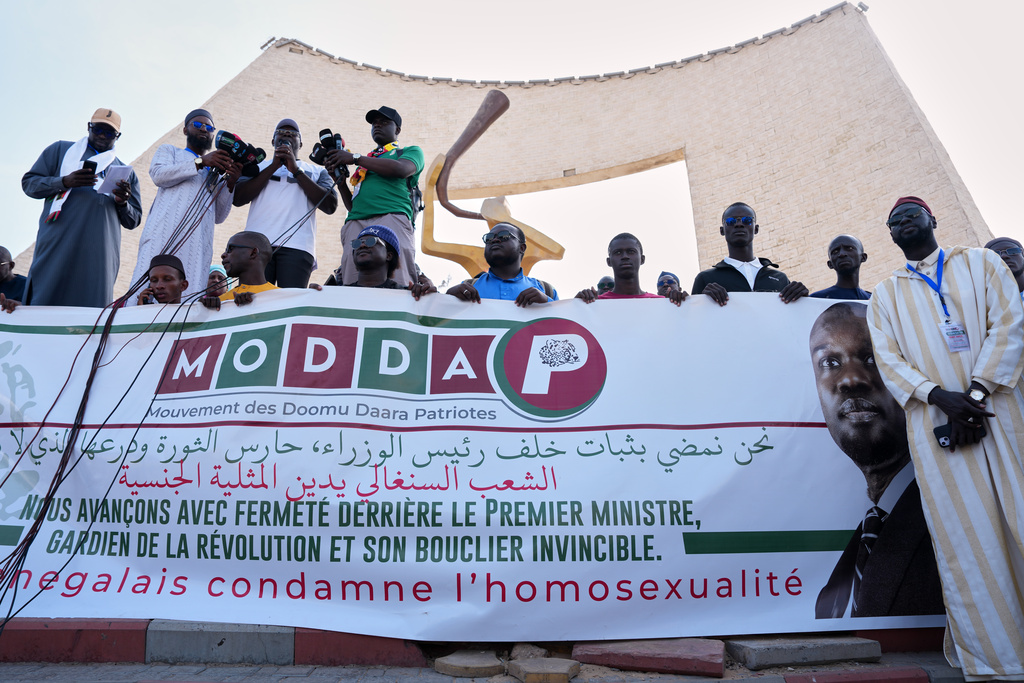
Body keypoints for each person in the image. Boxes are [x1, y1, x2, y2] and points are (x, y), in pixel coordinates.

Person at [867, 196, 1024, 680]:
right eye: (894, 222)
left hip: (999, 412)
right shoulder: (885, 295)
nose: (902, 224)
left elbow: (1008, 326)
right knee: (967, 536)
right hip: (936, 422)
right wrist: (941, 398)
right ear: (891, 236)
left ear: (933, 220)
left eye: (910, 215)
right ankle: (997, 657)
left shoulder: (981, 264)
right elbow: (889, 360)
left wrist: (973, 395)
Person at [809, 302, 942, 618]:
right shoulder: (843, 571)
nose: (850, 379)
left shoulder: (949, 505)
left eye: (872, 358)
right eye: (829, 362)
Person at [21, 108, 142, 307]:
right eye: (98, 129)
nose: (103, 135)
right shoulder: (60, 151)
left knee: (90, 311)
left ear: (118, 136)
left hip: (100, 252)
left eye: (109, 133)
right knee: (44, 299)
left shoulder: (124, 172)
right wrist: (64, 181)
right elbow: (29, 184)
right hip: (57, 240)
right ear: (89, 127)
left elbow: (134, 220)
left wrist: (122, 201)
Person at [128, 109, 240, 303]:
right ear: (185, 130)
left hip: (198, 245)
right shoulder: (170, 151)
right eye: (197, 124)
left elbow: (219, 216)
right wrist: (200, 162)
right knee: (148, 290)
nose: (204, 129)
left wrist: (230, 183)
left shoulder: (215, 170)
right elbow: (159, 175)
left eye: (209, 127)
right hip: (163, 235)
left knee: (188, 298)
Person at [326, 106, 424, 287]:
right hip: (356, 221)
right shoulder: (366, 162)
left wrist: (355, 158)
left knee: (398, 279)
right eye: (374, 123)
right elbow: (353, 206)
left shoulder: (408, 151)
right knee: (352, 278)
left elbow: (401, 169)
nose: (377, 126)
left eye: (384, 122)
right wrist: (338, 180)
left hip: (391, 216)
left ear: (397, 130)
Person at [233, 118, 338, 288]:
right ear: (273, 141)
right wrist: (273, 166)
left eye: (293, 133)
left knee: (288, 305)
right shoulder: (256, 167)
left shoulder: (318, 171)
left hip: (298, 246)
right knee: (253, 302)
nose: (287, 135)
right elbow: (238, 199)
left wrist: (296, 171)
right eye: (281, 132)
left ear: (301, 144)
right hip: (256, 247)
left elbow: (330, 206)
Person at [692, 202, 807, 305]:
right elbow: (694, 319)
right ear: (722, 231)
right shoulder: (706, 279)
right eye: (730, 221)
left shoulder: (780, 278)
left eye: (747, 220)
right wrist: (702, 300)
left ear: (756, 229)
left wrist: (804, 300)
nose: (739, 224)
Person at [446, 223, 557, 307]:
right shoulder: (466, 289)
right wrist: (447, 298)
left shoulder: (546, 290)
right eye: (489, 238)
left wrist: (547, 304)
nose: (494, 240)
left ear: (522, 248)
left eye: (504, 236)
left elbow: (565, 330)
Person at [313, 225, 434, 299]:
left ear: (389, 255)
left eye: (371, 241)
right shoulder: (337, 295)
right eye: (357, 243)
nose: (362, 246)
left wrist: (427, 297)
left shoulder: (407, 295)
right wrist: (311, 299)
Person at [576, 234, 687, 304]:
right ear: (609, 261)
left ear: (642, 259)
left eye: (631, 251)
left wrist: (684, 305)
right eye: (618, 252)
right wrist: (576, 305)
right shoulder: (596, 303)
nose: (625, 256)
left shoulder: (660, 303)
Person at [202, 232, 278, 310]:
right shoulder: (220, 303)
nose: (223, 255)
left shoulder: (281, 298)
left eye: (230, 249)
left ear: (253, 253)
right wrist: (204, 310)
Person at [810, 235, 871, 300]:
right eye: (835, 251)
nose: (842, 254)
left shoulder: (874, 300)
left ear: (863, 257)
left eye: (849, 248)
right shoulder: (817, 299)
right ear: (830, 264)